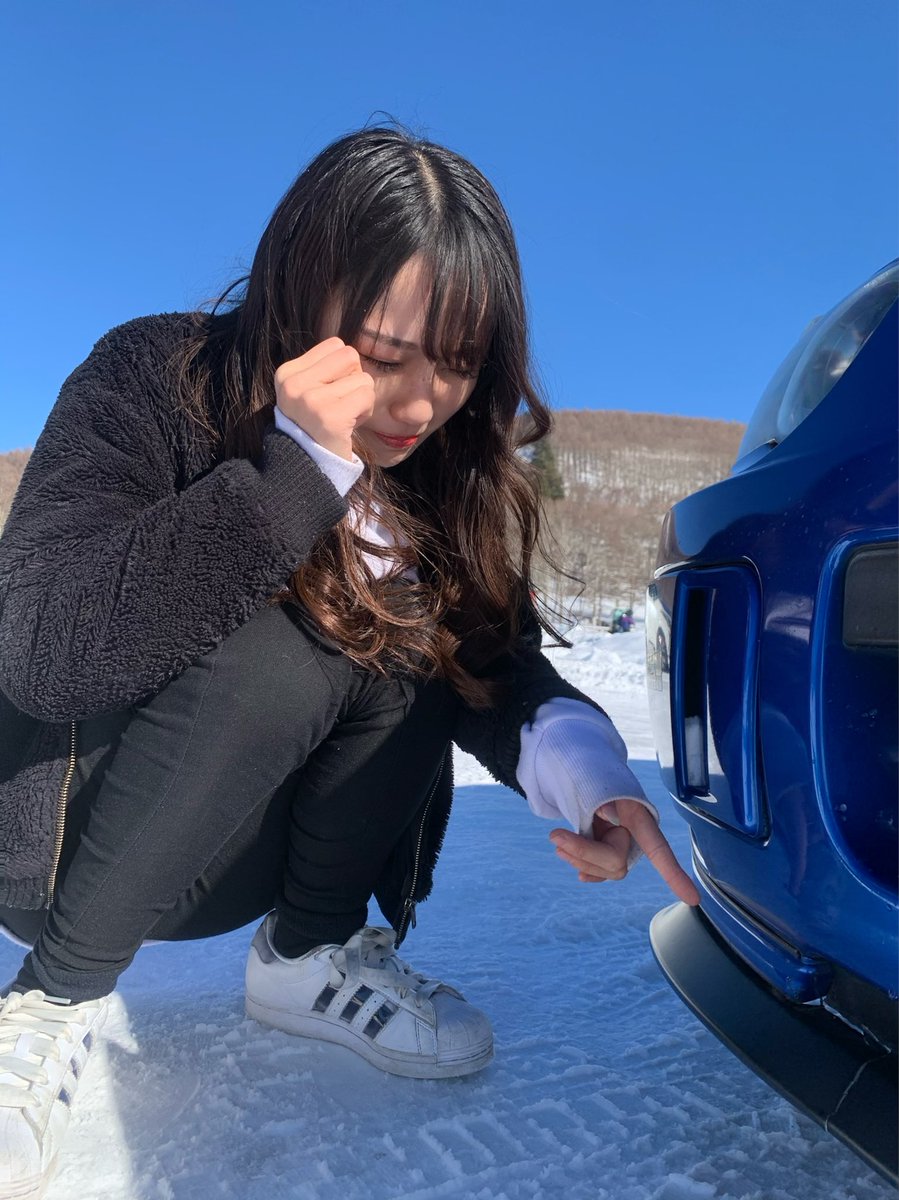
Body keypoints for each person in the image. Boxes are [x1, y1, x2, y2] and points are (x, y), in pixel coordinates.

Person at [0, 125, 699, 1198]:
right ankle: (50, 1003)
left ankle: (306, 956)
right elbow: (40, 653)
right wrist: (293, 476)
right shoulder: (152, 377)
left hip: (241, 861)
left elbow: (491, 663)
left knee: (410, 635)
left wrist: (587, 770)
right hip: (70, 847)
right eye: (381, 354)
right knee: (289, 643)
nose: (419, 405)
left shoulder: (436, 473)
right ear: (298, 294)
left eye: (457, 363)